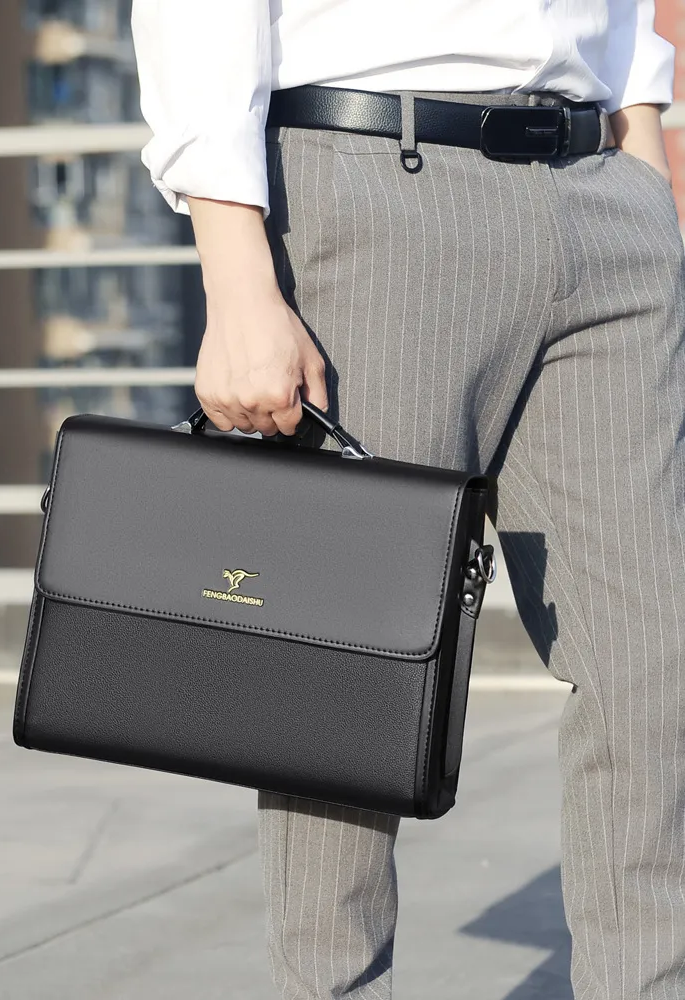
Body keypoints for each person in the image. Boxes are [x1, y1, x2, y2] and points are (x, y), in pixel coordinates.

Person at [130, 3, 685, 997]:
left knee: (655, 666)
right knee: (348, 684)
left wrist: (642, 158)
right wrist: (236, 275)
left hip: (601, 188)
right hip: (376, 181)